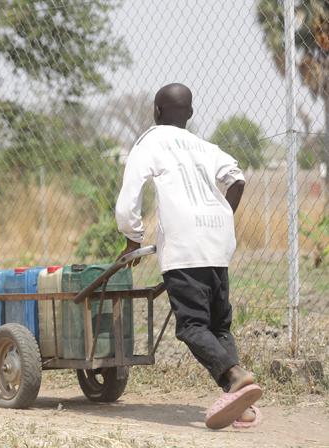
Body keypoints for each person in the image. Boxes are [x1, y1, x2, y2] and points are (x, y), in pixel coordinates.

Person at [114, 83, 260, 430]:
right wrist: (222, 219)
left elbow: (127, 201)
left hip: (184, 246)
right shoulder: (205, 146)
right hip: (218, 242)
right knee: (218, 325)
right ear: (191, 115)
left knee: (192, 326)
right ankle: (241, 398)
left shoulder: (150, 142)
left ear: (156, 111)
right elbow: (237, 179)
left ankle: (234, 374)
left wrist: (133, 240)